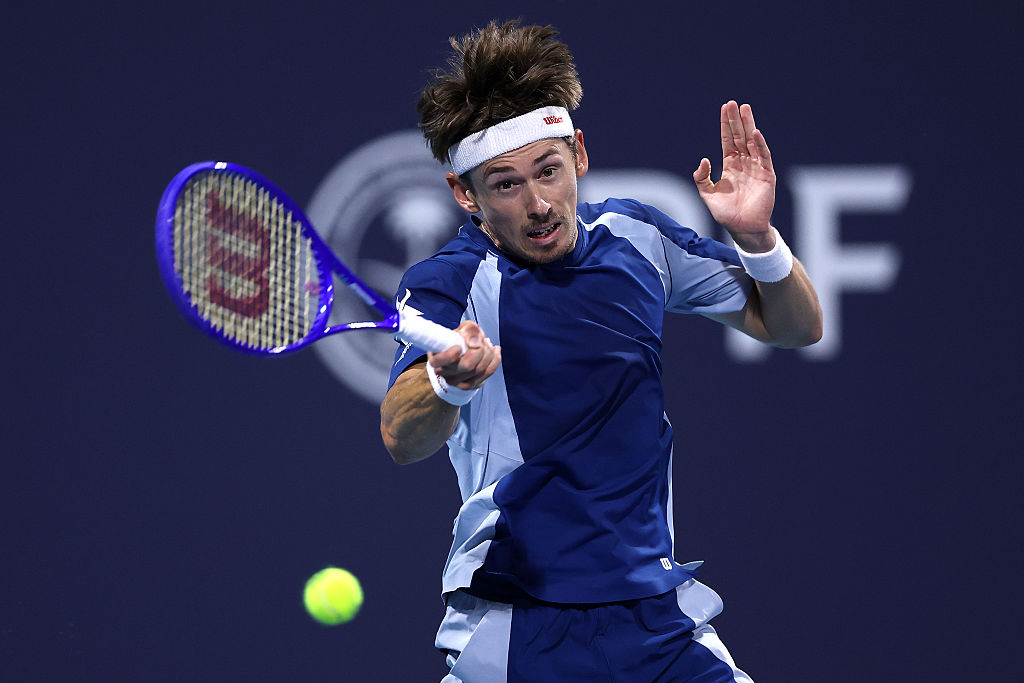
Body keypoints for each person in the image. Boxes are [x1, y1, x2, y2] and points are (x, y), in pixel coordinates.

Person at [379, 20, 822, 683]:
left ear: (579, 154)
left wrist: (758, 239)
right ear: (463, 193)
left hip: (657, 620)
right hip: (517, 624)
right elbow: (400, 434)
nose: (538, 204)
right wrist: (448, 385)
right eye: (505, 184)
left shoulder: (638, 238)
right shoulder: (450, 282)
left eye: (549, 171)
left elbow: (792, 325)